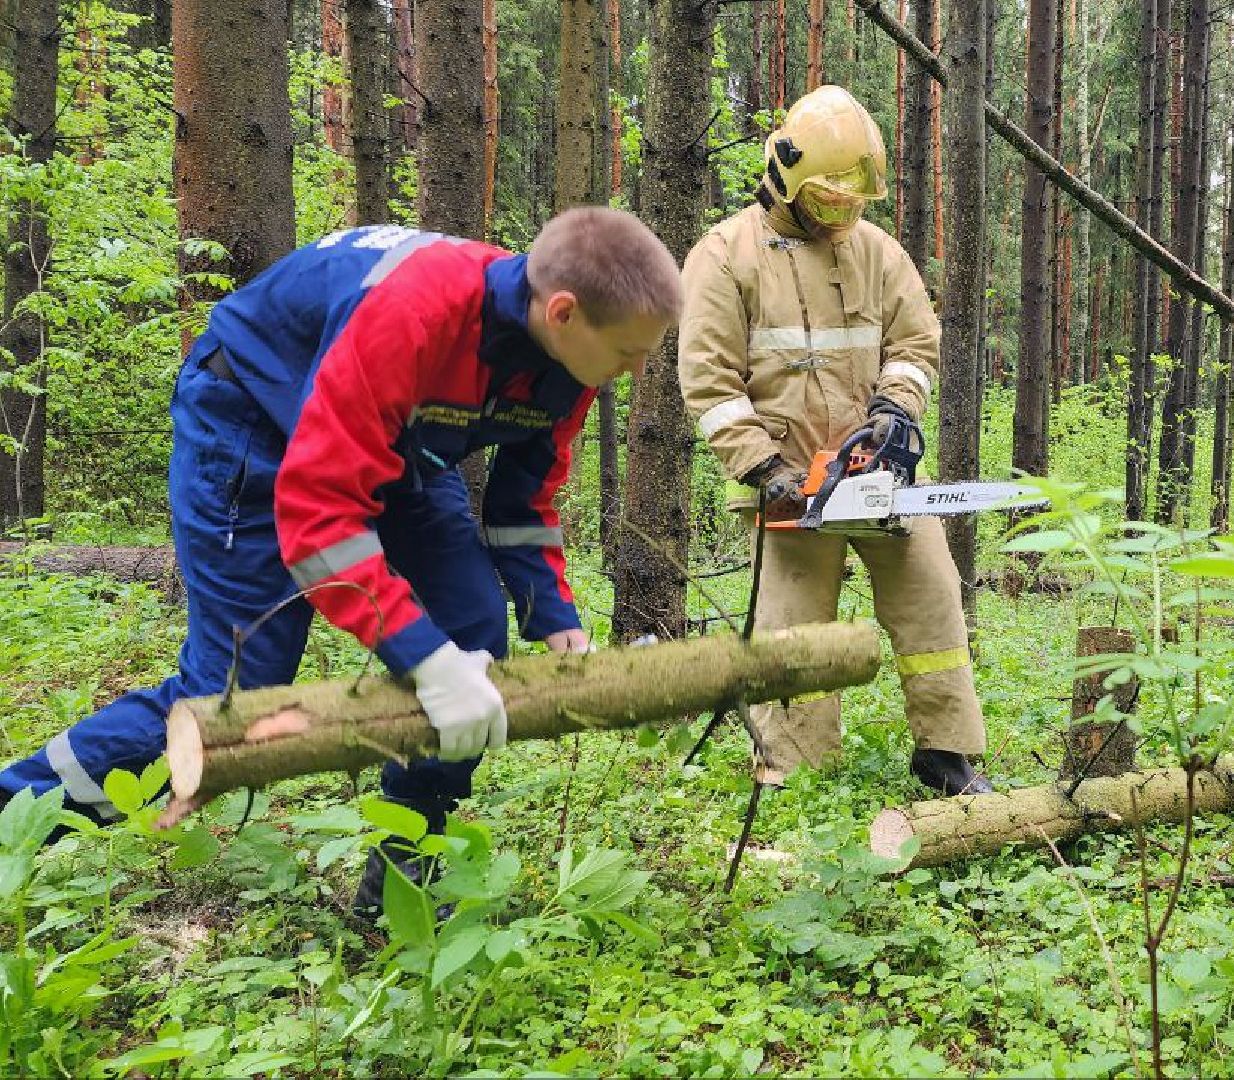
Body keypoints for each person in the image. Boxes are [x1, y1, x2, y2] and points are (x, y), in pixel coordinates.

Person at [0, 207, 682, 912]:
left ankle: (402, 876)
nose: (634, 371)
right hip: (250, 420)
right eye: (629, 351)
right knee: (230, 695)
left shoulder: (568, 364)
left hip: (394, 440)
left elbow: (521, 506)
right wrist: (425, 660)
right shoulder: (415, 314)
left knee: (474, 626)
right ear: (564, 313)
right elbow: (319, 518)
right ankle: (12, 816)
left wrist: (556, 622)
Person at [678, 85, 993, 797]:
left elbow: (914, 341)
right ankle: (794, 770)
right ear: (786, 176)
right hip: (788, 481)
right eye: (828, 200)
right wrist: (764, 468)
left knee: (931, 597)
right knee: (794, 630)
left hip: (876, 474)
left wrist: (894, 409)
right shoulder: (725, 255)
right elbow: (708, 380)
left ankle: (944, 751)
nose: (841, 214)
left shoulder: (876, 252)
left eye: (853, 202)